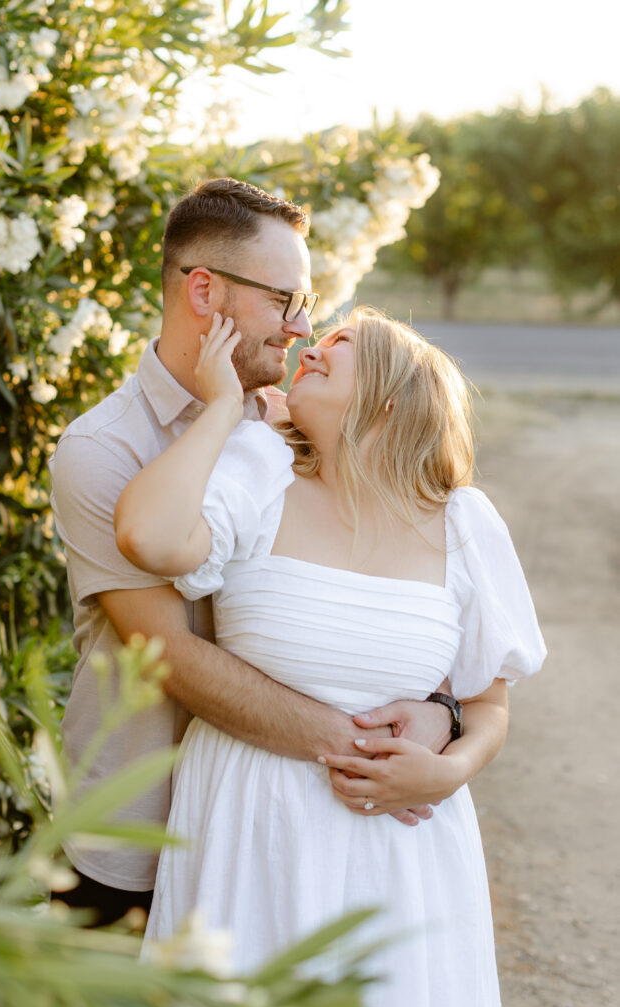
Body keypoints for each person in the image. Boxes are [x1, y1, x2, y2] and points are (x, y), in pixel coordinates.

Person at [50, 178, 508, 927]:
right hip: (136, 824)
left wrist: (442, 712)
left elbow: (377, 594)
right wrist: (368, 754)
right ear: (205, 292)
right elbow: (167, 653)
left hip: (289, 831)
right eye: (285, 301)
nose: (302, 328)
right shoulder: (105, 450)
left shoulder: (297, 435)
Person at [114, 307, 546, 1007]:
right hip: (249, 824)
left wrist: (450, 769)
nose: (311, 348)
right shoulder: (260, 468)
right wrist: (225, 406)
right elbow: (150, 539)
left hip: (402, 848)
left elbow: (489, 707)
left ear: (388, 394)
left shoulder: (463, 524)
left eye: (341, 344)